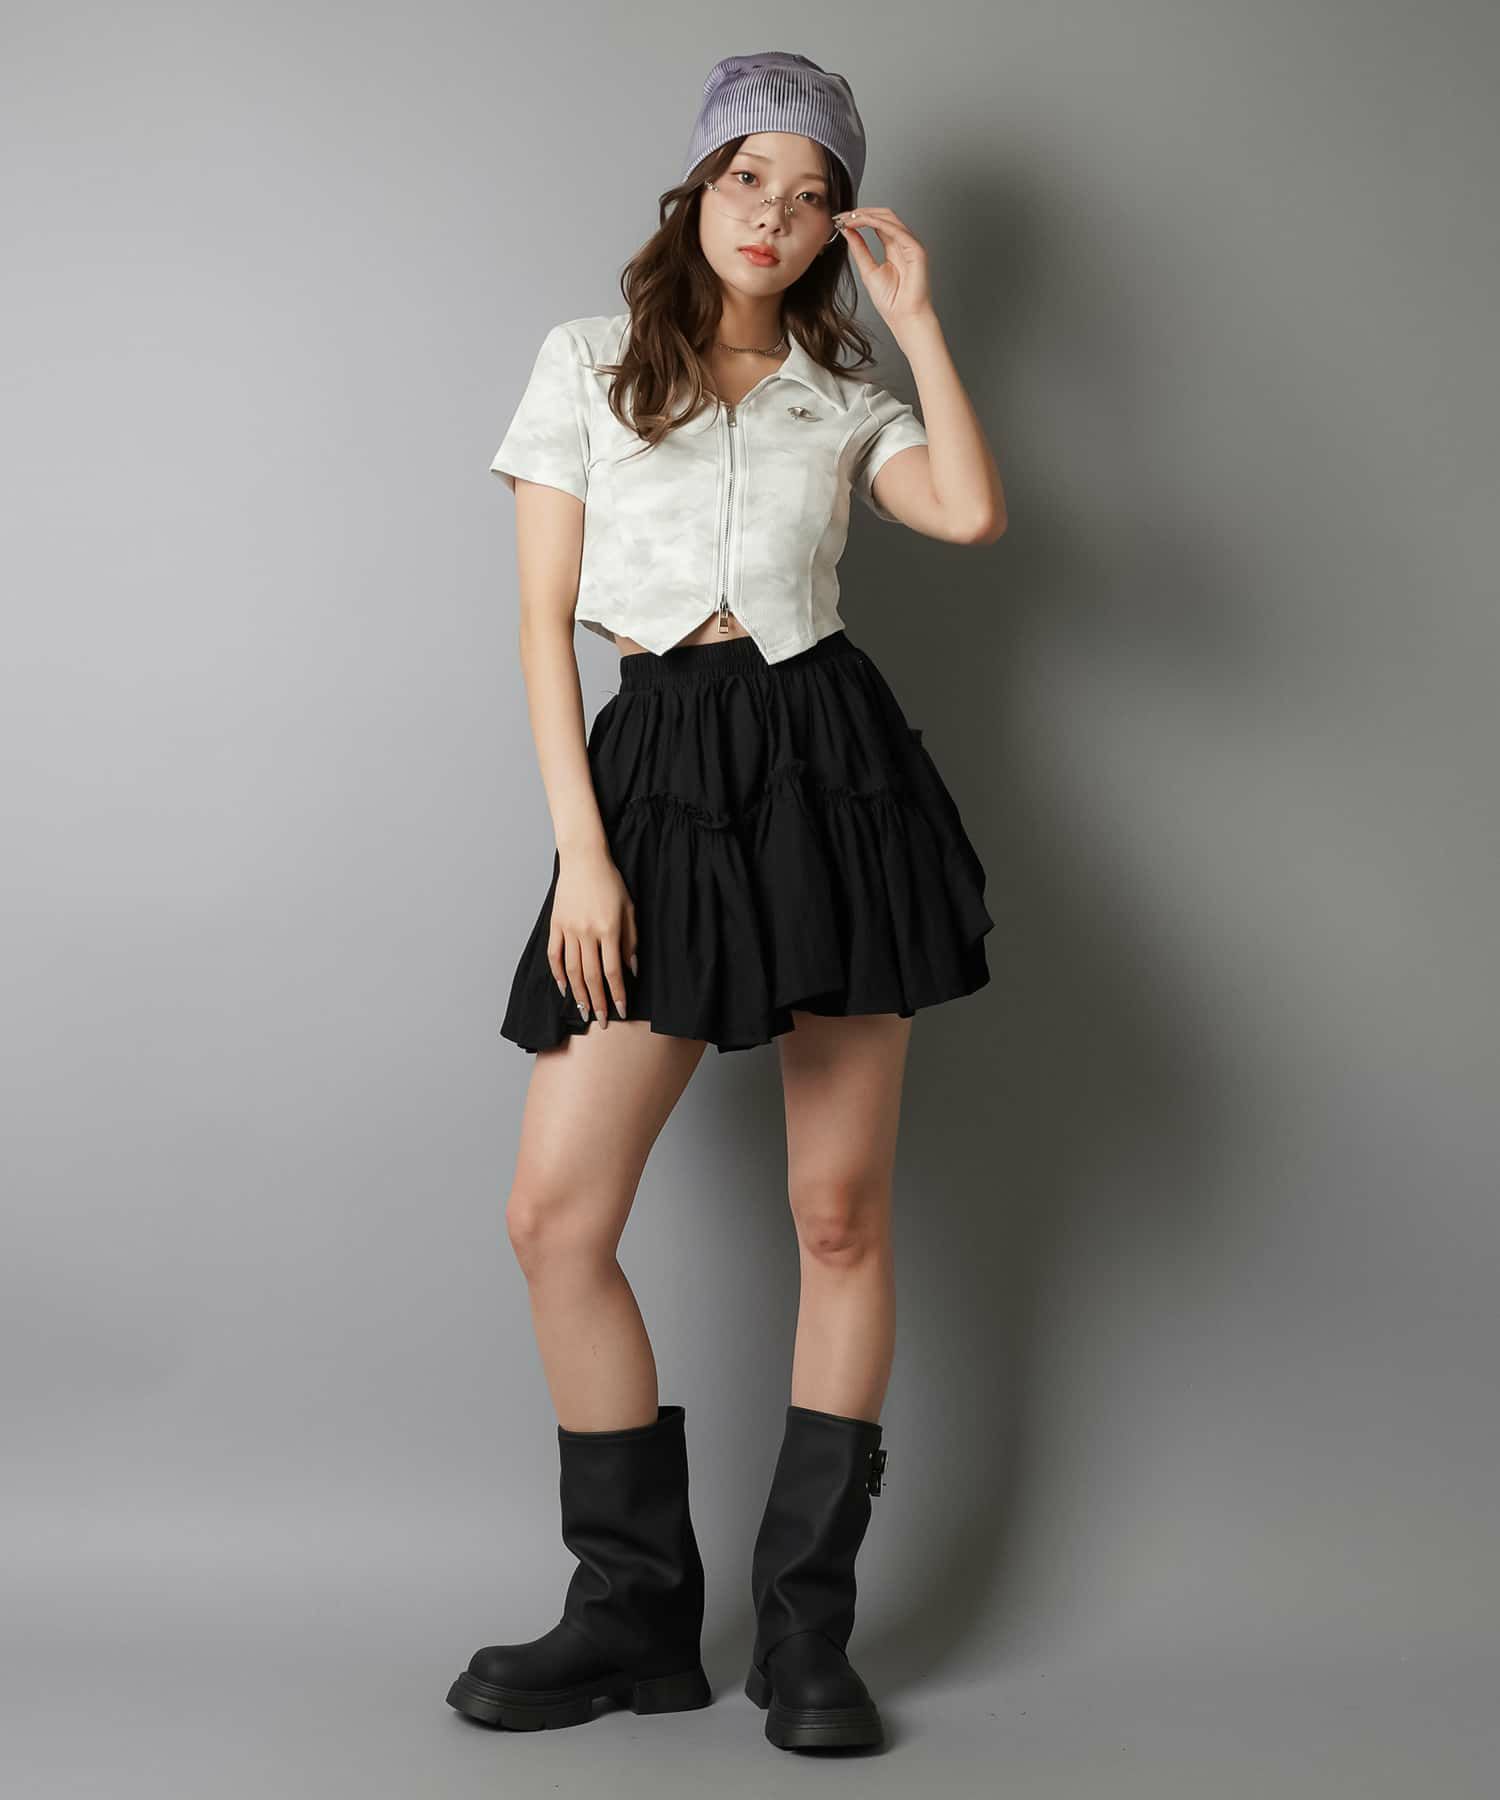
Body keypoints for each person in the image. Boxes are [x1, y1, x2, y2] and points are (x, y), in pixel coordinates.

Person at [445, 52, 1007, 1754]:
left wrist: (919, 326)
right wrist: (585, 849)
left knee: (838, 1217)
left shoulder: (845, 389)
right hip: (655, 781)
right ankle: (632, 1615)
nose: (774, 215)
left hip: (833, 779)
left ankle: (806, 1635)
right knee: (557, 1217)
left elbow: (968, 512)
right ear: (698, 188)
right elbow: (541, 623)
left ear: (839, 227)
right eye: (749, 178)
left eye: (811, 193)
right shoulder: (586, 361)